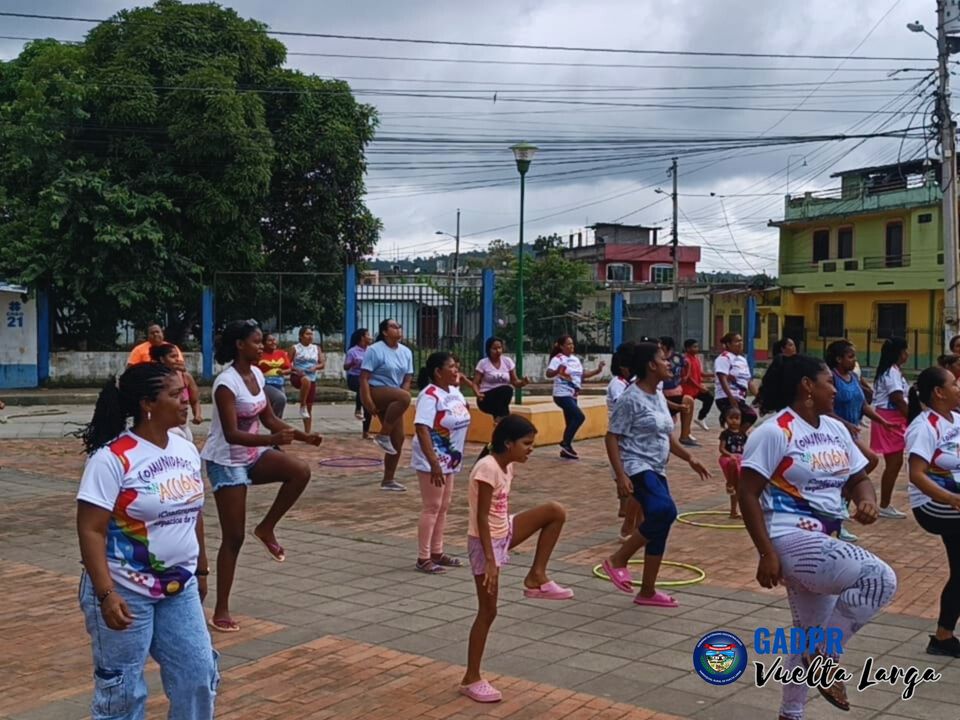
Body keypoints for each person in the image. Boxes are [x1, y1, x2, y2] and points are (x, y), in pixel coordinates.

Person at [739, 353, 897, 719]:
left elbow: (859, 477)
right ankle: (825, 656)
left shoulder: (836, 429)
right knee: (879, 578)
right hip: (788, 537)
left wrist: (867, 501)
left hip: (827, 537)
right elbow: (747, 493)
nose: (836, 389)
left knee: (809, 633)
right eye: (829, 382)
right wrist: (765, 553)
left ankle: (791, 712)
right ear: (807, 386)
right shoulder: (774, 431)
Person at [76, 363, 218, 719]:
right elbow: (91, 529)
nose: (186, 400)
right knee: (122, 690)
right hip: (124, 590)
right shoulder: (112, 458)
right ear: (147, 404)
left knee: (198, 674)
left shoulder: (185, 449)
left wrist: (201, 570)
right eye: (175, 394)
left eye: (184, 391)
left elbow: (194, 511)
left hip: (179, 586)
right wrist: (106, 594)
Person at [202, 320, 321, 633]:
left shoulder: (256, 374)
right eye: (256, 342)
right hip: (226, 461)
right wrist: (272, 440)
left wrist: (301, 437)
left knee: (299, 471)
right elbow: (231, 433)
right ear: (239, 345)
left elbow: (268, 418)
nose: (262, 347)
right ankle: (221, 609)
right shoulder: (226, 383)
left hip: (253, 455)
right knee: (234, 537)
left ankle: (266, 527)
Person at [460, 415, 573, 703]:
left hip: (504, 531)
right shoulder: (487, 468)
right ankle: (471, 678)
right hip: (485, 543)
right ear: (508, 443)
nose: (531, 449)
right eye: (526, 443)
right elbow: (481, 518)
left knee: (555, 511)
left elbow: (497, 513)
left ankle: (536, 576)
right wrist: (490, 560)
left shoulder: (506, 465)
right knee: (488, 611)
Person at [601, 342, 711, 608]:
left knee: (660, 525)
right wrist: (621, 476)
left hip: (657, 467)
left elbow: (666, 436)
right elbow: (612, 437)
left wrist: (690, 458)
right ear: (651, 365)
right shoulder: (630, 398)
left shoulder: (658, 395)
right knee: (665, 510)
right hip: (636, 466)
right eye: (663, 359)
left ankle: (647, 591)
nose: (669, 363)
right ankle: (618, 559)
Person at [905, 366, 960, 657]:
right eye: (954, 384)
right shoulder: (924, 426)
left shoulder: (956, 419)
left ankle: (943, 637)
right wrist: (951, 498)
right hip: (933, 504)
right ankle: (943, 636)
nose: (958, 388)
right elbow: (917, 474)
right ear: (939, 392)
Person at [411, 352, 471, 573]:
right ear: (438, 372)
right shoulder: (430, 396)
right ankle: (423, 557)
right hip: (433, 458)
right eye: (451, 366)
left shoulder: (454, 392)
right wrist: (434, 463)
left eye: (456, 366)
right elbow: (422, 428)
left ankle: (437, 551)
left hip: (451, 458)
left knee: (443, 506)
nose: (456, 370)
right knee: (432, 506)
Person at [824, 340, 888, 542]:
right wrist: (846, 424)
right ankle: (840, 504)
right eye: (850, 356)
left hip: (851, 433)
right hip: (837, 433)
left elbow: (863, 405)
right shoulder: (831, 378)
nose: (854, 360)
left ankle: (842, 499)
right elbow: (826, 409)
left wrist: (882, 421)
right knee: (869, 460)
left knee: (863, 465)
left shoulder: (852, 378)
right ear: (838, 359)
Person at [360, 318, 414, 491]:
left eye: (399, 326)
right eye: (393, 327)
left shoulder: (406, 352)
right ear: (384, 332)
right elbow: (364, 377)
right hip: (376, 391)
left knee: (398, 438)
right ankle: (383, 434)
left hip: (395, 396)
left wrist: (402, 395)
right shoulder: (374, 350)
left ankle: (388, 480)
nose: (398, 329)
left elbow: (407, 378)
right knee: (404, 397)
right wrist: (366, 400)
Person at [545, 334, 605, 460]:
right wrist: (557, 371)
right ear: (561, 346)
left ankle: (566, 449)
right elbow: (548, 373)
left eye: (572, 343)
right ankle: (565, 443)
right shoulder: (558, 358)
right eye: (568, 344)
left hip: (573, 395)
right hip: (562, 394)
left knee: (570, 421)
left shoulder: (575, 359)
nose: (571, 346)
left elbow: (582, 375)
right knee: (579, 417)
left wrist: (597, 370)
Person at [870, 337, 910, 518]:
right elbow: (897, 399)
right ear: (898, 353)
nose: (907, 354)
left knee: (895, 462)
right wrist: (912, 418)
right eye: (905, 351)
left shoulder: (893, 371)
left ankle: (885, 504)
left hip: (892, 417)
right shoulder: (891, 372)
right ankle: (884, 505)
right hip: (890, 419)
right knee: (894, 462)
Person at [607, 342, 640, 542]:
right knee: (633, 486)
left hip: (633, 439)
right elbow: (625, 407)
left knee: (638, 487)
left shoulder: (634, 383)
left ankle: (636, 526)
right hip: (623, 438)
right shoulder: (618, 384)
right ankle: (629, 526)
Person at [150, 343, 203, 442]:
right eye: (172, 356)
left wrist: (197, 415)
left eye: (177, 356)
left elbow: (195, 400)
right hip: (166, 425)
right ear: (162, 359)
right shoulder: (157, 379)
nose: (177, 359)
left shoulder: (185, 376)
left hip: (183, 425)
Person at [473, 337, 529, 424]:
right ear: (489, 350)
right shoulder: (483, 363)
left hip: (502, 398)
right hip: (486, 397)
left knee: (507, 390)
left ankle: (500, 421)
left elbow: (515, 381)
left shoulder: (507, 361)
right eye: (494, 349)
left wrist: (523, 382)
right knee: (505, 390)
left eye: (499, 348)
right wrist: (478, 393)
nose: (498, 351)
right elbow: (475, 383)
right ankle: (503, 420)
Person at [714, 332, 757, 429]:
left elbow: (749, 381)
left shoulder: (742, 359)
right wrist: (731, 398)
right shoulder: (724, 358)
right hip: (726, 397)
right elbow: (722, 378)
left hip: (740, 397)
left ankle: (736, 435)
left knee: (741, 421)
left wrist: (758, 397)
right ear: (728, 344)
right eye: (737, 341)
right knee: (750, 415)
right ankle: (737, 435)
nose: (740, 343)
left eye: (741, 341)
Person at [660, 336, 697, 446]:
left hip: (674, 392)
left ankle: (685, 435)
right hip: (661, 394)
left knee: (688, 401)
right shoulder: (657, 358)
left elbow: (687, 364)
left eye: (661, 344)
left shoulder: (677, 357)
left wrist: (685, 376)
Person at [288, 326, 324, 433]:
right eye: (307, 334)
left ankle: (307, 432)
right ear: (301, 336)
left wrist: (315, 367)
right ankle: (302, 404)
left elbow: (322, 363)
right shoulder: (295, 348)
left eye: (311, 334)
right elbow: (287, 364)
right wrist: (296, 370)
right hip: (297, 376)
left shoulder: (316, 348)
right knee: (305, 380)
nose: (310, 336)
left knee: (309, 407)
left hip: (311, 376)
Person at [344, 328, 373, 439]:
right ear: (362, 337)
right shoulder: (352, 351)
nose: (370, 337)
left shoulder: (372, 350)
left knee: (368, 405)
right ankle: (357, 409)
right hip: (354, 377)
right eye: (368, 335)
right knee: (362, 387)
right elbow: (345, 367)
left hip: (368, 378)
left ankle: (366, 432)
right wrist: (352, 363)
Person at [718, 406, 746, 519]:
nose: (734, 421)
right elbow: (721, 449)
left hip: (740, 459)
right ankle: (729, 483)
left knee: (739, 487)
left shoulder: (742, 434)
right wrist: (730, 455)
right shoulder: (725, 434)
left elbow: (746, 448)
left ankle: (734, 511)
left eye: (737, 418)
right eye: (731, 418)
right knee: (734, 482)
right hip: (728, 459)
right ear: (726, 419)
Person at [681, 339, 714, 431]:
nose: (697, 349)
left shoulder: (696, 358)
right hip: (688, 390)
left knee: (709, 398)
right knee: (687, 410)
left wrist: (713, 375)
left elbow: (700, 373)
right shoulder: (686, 360)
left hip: (696, 389)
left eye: (697, 346)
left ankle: (700, 418)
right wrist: (700, 387)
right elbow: (689, 378)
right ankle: (686, 430)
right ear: (687, 348)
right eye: (694, 347)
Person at [258, 333, 291, 420]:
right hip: (265, 384)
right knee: (280, 398)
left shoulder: (281, 353)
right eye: (270, 340)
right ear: (264, 343)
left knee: (280, 405)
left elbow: (289, 369)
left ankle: (276, 424)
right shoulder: (259, 354)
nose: (273, 342)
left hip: (279, 384)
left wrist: (283, 372)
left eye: (274, 340)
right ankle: (273, 421)